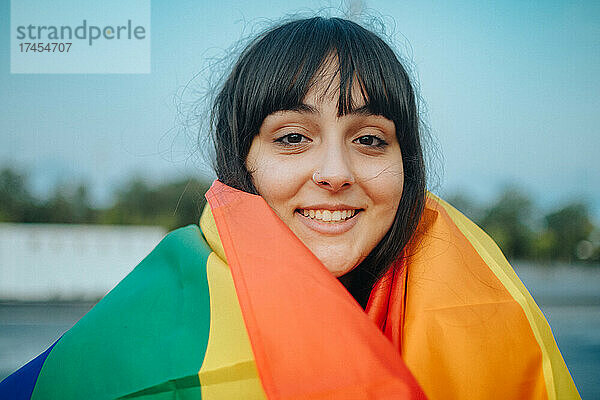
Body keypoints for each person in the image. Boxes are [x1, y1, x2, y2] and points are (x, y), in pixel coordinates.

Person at [1, 16, 579, 400]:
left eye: (371, 139)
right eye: (292, 138)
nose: (334, 173)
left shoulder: (488, 311)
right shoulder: (146, 338)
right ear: (242, 162)